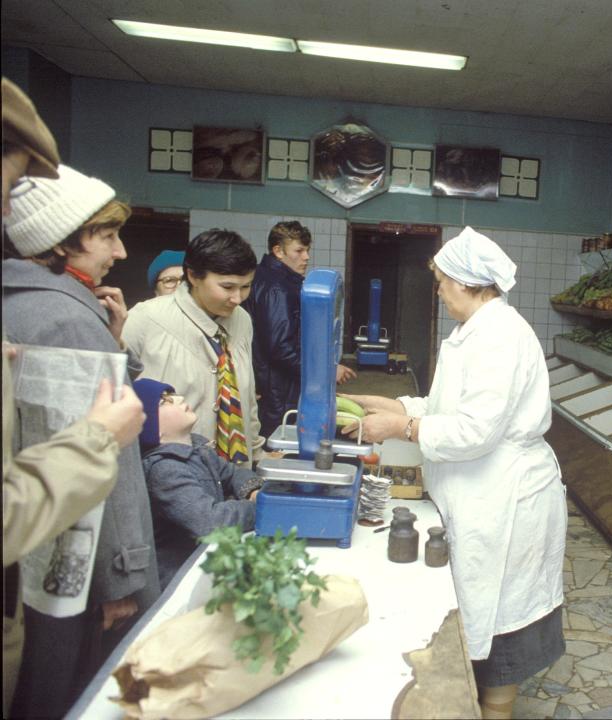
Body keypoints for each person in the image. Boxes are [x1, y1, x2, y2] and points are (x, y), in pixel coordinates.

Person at [343, 227, 566, 719]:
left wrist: (402, 426)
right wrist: (388, 404)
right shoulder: (473, 333)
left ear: (467, 283)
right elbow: (447, 407)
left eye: (443, 282)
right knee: (477, 603)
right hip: (477, 490)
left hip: (505, 494)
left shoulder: (500, 338)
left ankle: (495, 710)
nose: (439, 291)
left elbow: (475, 432)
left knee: (503, 615)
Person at [1, 78, 148, 717]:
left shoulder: (35, 306)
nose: (120, 252)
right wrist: (123, 578)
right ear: (60, 242)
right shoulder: (64, 321)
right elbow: (105, 466)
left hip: (30, 562)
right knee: (71, 696)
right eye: (105, 237)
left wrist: (112, 344)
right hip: (77, 572)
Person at [123, 229, 264, 467]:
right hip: (171, 472)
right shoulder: (145, 319)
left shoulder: (242, 320)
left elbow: (246, 399)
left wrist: (257, 454)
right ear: (193, 276)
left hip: (233, 471)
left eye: (246, 286)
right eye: (227, 287)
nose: (238, 298)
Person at [133, 379, 262, 589]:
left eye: (173, 394)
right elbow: (210, 522)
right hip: (180, 580)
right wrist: (261, 506)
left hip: (205, 564)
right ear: (151, 428)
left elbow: (232, 473)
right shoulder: (165, 470)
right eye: (164, 401)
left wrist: (252, 489)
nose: (178, 398)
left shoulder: (197, 447)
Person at [243, 221, 356, 440]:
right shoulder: (277, 289)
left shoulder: (271, 280)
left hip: (272, 387)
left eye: (307, 251)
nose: (306, 257)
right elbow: (280, 348)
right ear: (278, 251)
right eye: (299, 251)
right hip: (278, 393)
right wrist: (324, 373)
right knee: (280, 447)